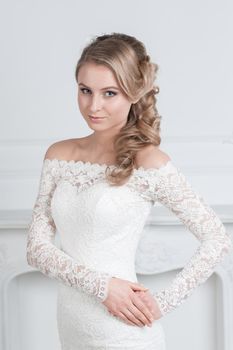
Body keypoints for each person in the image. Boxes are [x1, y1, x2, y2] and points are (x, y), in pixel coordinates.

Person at [26, 32, 232, 350]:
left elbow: (216, 238)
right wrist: (103, 286)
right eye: (85, 90)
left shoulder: (148, 161)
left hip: (124, 333)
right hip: (72, 330)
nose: (94, 105)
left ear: (134, 92)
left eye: (110, 93)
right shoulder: (59, 154)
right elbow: (37, 249)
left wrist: (160, 304)